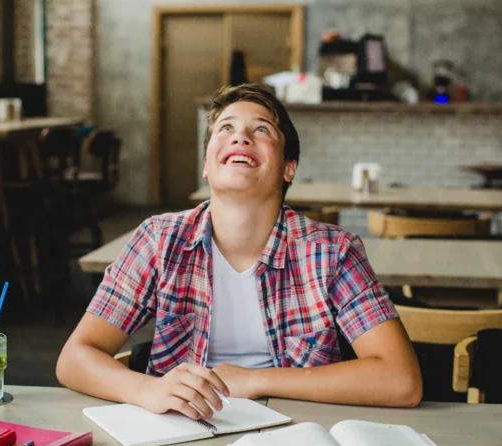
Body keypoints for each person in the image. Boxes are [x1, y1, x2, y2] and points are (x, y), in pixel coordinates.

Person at [57, 84, 422, 419]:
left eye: (261, 129)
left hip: (298, 435)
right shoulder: (158, 240)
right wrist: (147, 389)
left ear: (288, 168)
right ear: (206, 163)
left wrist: (258, 380)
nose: (241, 137)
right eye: (225, 129)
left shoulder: (332, 252)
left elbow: (401, 380)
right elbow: (75, 358)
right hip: (182, 436)